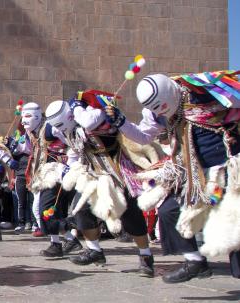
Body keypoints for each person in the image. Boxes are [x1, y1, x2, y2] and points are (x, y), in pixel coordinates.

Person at [128, 73, 240, 283]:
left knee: (233, 228)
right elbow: (143, 137)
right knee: (168, 210)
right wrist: (120, 122)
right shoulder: (156, 115)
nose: (163, 113)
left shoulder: (206, 92)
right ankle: (195, 261)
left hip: (228, 172)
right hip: (196, 178)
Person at [46, 93, 154, 277]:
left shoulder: (95, 114)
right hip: (94, 175)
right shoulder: (69, 131)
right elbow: (73, 151)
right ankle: (95, 250)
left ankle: (146, 256)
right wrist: (69, 169)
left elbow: (88, 122)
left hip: (118, 172)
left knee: (130, 215)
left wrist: (78, 105)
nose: (60, 130)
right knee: (80, 210)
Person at [16, 102, 82, 257]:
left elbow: (73, 143)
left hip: (56, 173)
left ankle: (67, 234)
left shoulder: (50, 128)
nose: (24, 121)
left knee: (42, 210)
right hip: (42, 174)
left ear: (38, 116)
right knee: (45, 211)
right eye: (22, 117)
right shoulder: (32, 131)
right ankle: (60, 242)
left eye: (28, 116)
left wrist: (70, 163)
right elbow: (30, 149)